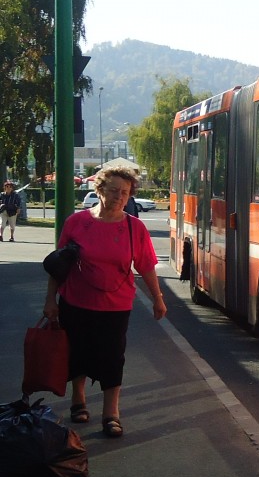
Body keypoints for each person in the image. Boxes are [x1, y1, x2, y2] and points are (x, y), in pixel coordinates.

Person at [43, 165, 167, 438]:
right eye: (113, 191)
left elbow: (146, 266)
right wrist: (50, 300)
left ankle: (111, 413)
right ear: (99, 190)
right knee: (77, 352)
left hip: (116, 305)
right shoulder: (77, 223)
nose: (119, 197)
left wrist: (157, 299)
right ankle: (79, 399)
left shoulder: (135, 228)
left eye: (125, 192)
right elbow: (58, 265)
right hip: (75, 301)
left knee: (112, 357)